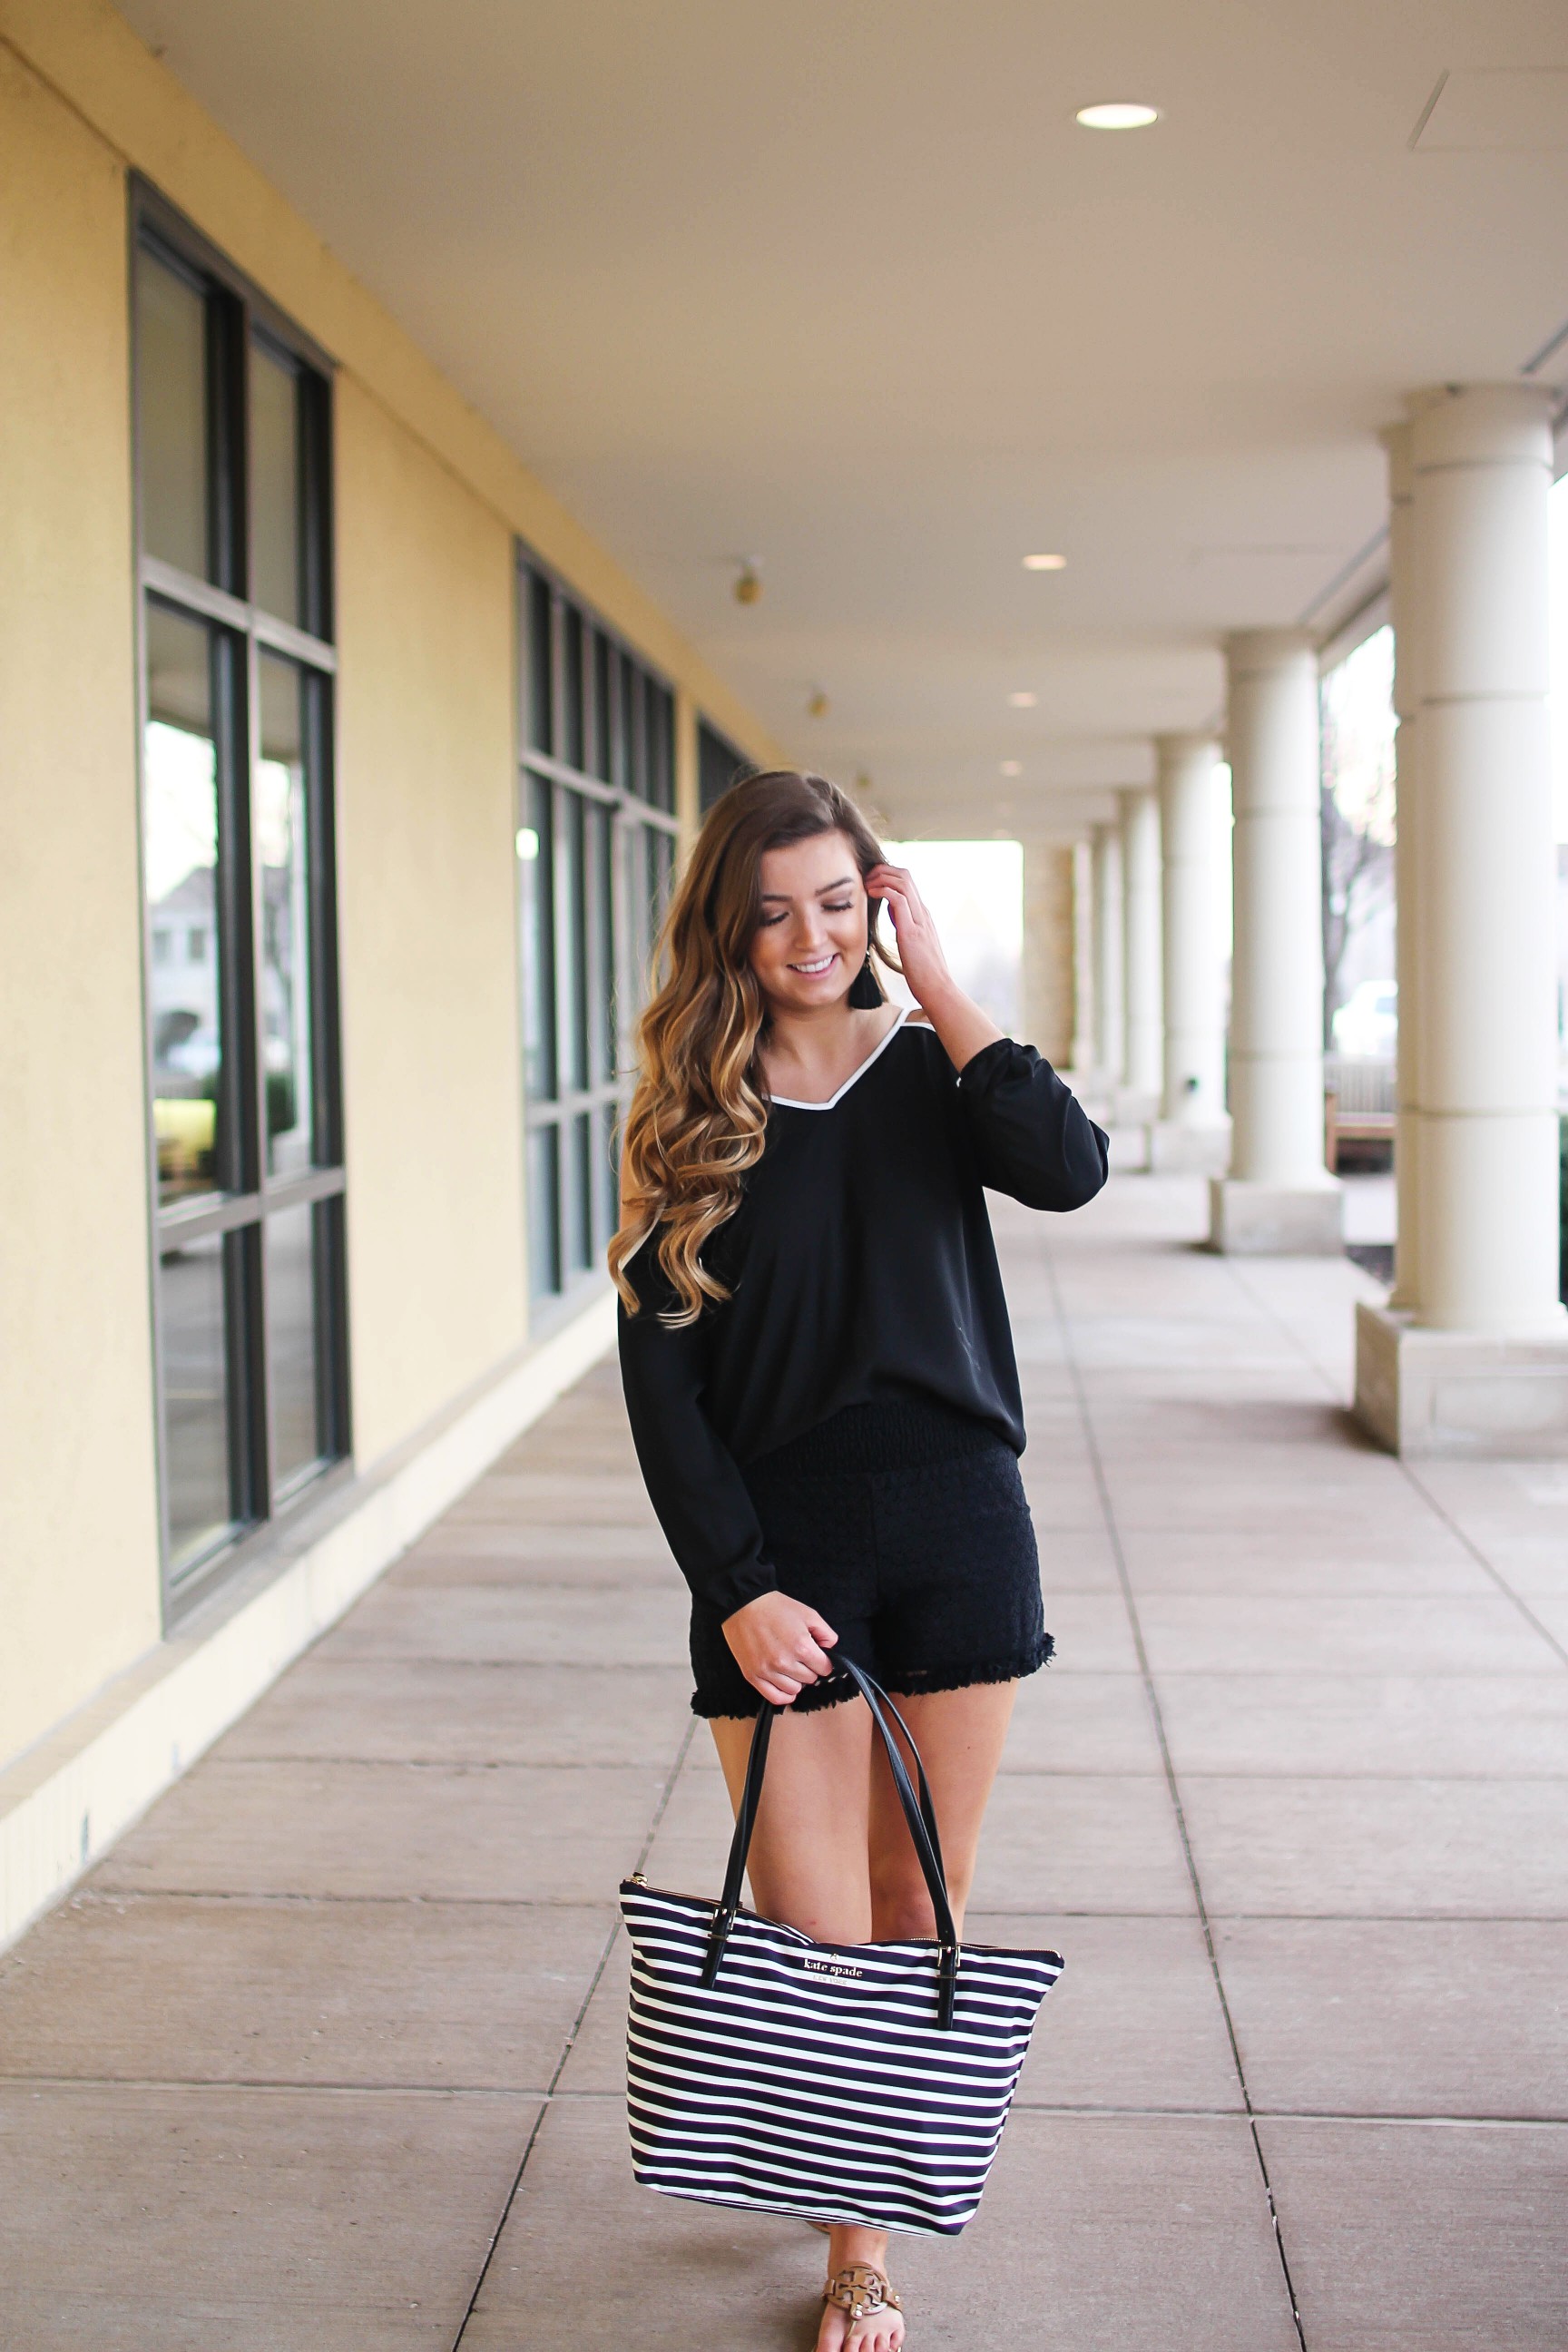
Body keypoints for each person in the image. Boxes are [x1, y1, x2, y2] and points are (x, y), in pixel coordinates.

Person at [612, 770, 1107, 2350]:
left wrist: (946, 984)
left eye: (837, 901)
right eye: (772, 913)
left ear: (876, 902)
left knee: (921, 1904)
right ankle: (855, 2241)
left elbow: (1069, 1166)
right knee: (811, 1931)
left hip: (962, 1524)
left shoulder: (935, 1069)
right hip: (782, 1549)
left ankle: (864, 2249)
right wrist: (735, 1584)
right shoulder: (688, 1108)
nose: (807, 936)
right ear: (729, 930)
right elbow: (661, 1382)